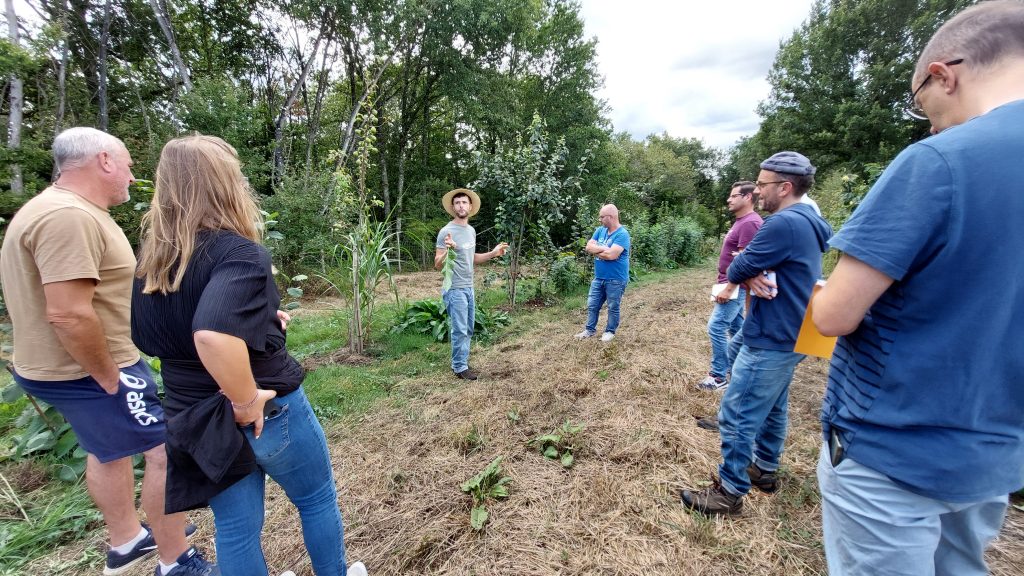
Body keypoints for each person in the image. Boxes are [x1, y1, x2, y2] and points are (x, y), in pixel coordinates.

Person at [811, 3, 1024, 574]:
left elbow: (834, 317)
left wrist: (813, 289)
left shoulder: (938, 162)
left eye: (919, 101)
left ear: (943, 73)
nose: (927, 121)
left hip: (893, 447)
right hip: (995, 451)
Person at [131, 135, 366, 576]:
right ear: (225, 184)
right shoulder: (238, 251)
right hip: (263, 409)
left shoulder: (151, 264)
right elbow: (211, 336)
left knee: (235, 528)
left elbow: (166, 333)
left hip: (196, 416)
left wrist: (257, 320)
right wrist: (245, 399)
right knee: (315, 498)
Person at [0, 127, 210, 576]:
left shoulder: (54, 209)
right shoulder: (67, 219)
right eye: (129, 165)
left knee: (108, 449)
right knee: (165, 452)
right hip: (89, 367)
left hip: (58, 367)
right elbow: (69, 314)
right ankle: (176, 561)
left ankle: (127, 538)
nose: (133, 177)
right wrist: (110, 377)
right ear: (104, 161)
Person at [681, 151, 832, 515]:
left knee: (737, 411)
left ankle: (729, 491)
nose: (757, 191)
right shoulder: (810, 219)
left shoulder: (783, 224)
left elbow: (740, 264)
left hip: (771, 334)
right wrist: (748, 270)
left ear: (785, 186)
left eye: (763, 184)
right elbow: (749, 265)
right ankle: (764, 468)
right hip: (794, 331)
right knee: (775, 405)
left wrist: (744, 269)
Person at [434, 188, 508, 380]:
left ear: (471, 206)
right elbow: (436, 264)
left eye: (464, 202)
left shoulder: (471, 231)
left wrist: (493, 253)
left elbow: (472, 257)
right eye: (457, 202)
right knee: (459, 328)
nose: (461, 205)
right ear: (453, 207)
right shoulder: (446, 232)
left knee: (467, 327)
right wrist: (447, 251)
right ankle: (459, 367)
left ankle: (461, 361)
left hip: (468, 287)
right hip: (454, 288)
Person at [697, 181, 763, 391]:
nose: (729, 199)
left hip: (735, 285)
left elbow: (745, 262)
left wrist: (730, 287)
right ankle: (741, 371)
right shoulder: (742, 221)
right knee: (737, 330)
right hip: (730, 283)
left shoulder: (749, 223)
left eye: (734, 196)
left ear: (748, 197)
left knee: (716, 327)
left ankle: (718, 375)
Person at [574, 204, 631, 343]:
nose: (600, 220)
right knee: (592, 305)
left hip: (616, 279)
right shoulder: (600, 230)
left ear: (611, 217)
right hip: (599, 278)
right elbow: (588, 247)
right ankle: (589, 330)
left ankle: (610, 331)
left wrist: (598, 250)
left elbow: (611, 255)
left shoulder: (622, 234)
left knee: (613, 306)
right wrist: (603, 249)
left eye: (602, 217)